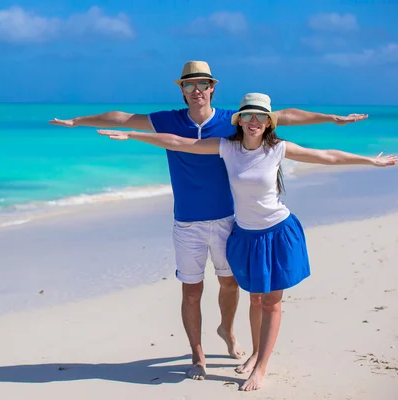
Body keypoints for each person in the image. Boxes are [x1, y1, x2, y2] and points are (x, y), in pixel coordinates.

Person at [49, 61, 369, 380]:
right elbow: (122, 118)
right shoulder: (167, 121)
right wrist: (78, 121)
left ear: (212, 88)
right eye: (190, 85)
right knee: (191, 290)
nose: (197, 90)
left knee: (230, 284)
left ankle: (228, 332)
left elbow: (284, 116)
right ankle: (197, 355)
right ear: (182, 90)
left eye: (203, 84)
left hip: (229, 220)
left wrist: (331, 118)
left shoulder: (233, 122)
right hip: (187, 222)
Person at [96, 92, 397, 391]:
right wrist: (134, 135)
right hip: (244, 234)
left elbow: (327, 156)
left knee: (271, 303)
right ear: (239, 121)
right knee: (254, 299)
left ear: (269, 122)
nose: (254, 121)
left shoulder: (278, 149)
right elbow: (180, 143)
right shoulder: (227, 147)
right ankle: (255, 353)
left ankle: (262, 367)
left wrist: (370, 160)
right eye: (248, 116)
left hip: (277, 232)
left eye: (261, 116)